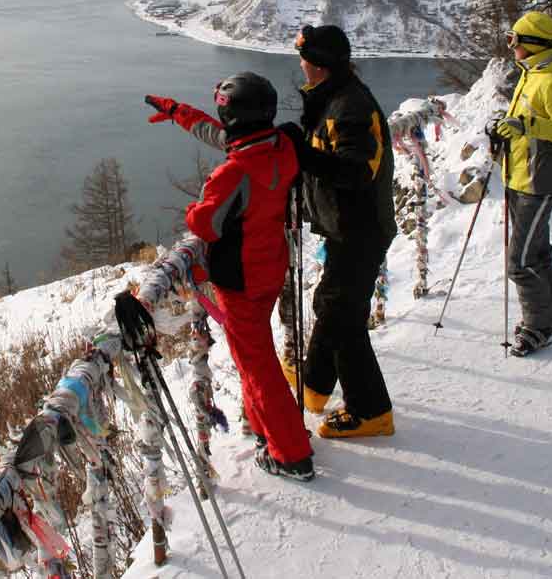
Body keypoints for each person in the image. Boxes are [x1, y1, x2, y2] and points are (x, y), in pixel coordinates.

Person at [144, 73, 315, 482]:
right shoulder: (281, 148)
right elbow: (219, 133)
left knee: (258, 366)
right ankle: (264, 431)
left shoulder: (234, 172)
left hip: (240, 281)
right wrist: (176, 112)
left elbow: (204, 224)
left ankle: (293, 455)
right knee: (254, 356)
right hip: (271, 265)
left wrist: (195, 205)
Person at [282, 24, 396, 439]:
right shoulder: (334, 98)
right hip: (347, 227)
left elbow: (356, 170)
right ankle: (314, 386)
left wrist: (304, 157)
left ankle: (371, 411)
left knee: (342, 317)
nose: (301, 65)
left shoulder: (350, 107)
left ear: (321, 65)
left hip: (361, 228)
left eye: (306, 60)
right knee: (331, 304)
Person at [493, 10, 552, 357]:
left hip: (539, 181)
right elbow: (524, 122)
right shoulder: (532, 74)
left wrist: (525, 126)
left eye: (514, 40)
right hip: (519, 176)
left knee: (520, 260)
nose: (511, 46)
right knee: (539, 252)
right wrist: (506, 128)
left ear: (530, 45)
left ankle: (538, 327)